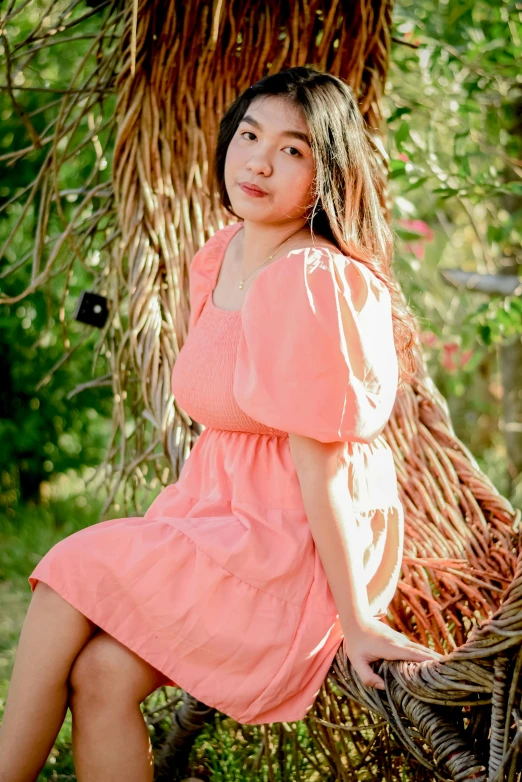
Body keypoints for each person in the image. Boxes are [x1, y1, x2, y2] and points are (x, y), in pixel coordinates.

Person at [0, 66, 442, 782]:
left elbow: (320, 464)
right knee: (103, 675)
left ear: (327, 170)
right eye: (249, 135)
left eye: (294, 150)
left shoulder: (309, 278)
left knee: (68, 571)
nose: (259, 161)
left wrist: (356, 621)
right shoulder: (222, 254)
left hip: (292, 546)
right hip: (221, 520)